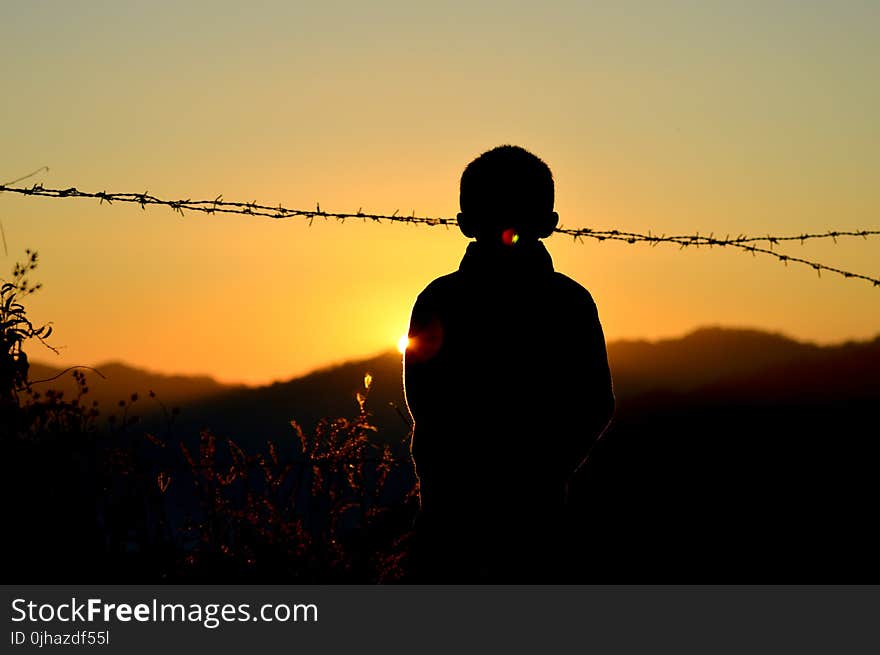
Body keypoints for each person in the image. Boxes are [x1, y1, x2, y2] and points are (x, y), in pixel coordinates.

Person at [403, 145, 615, 582]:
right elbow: (595, 403)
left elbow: (423, 402)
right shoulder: (569, 303)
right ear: (552, 224)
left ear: (463, 224)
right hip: (536, 517)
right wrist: (545, 472)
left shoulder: (439, 299)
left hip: (453, 516)